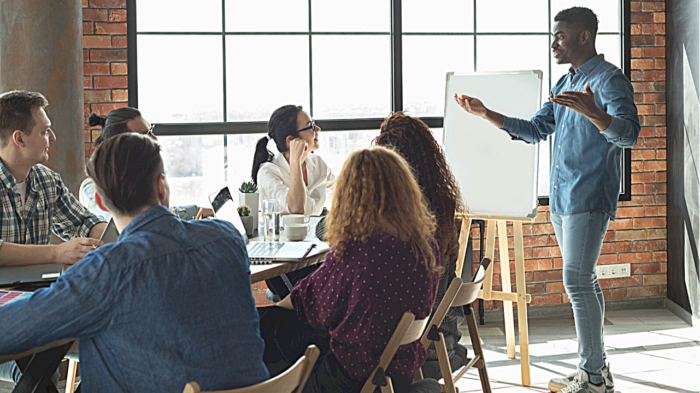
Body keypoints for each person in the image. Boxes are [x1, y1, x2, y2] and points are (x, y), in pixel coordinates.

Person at [454, 7, 639, 393]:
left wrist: (595, 114)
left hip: (589, 194)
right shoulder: (565, 81)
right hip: (561, 197)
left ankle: (591, 379)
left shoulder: (609, 80)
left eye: (560, 35)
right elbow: (538, 129)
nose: (553, 42)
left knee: (575, 280)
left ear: (584, 36)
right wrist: (487, 113)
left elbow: (629, 135)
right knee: (584, 280)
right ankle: (596, 370)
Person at [0, 133, 269, 392]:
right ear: (161, 186)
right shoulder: (228, 238)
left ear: (100, 203)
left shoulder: (107, 270)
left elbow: (12, 330)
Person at [258, 146, 441, 393]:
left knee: (265, 326)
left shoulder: (356, 251)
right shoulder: (426, 246)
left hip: (352, 377)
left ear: (350, 196)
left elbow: (310, 303)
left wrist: (273, 311)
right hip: (398, 370)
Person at [0, 90, 108, 385]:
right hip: (7, 315)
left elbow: (85, 223)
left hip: (36, 300)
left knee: (107, 334)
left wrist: (111, 236)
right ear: (19, 139)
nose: (53, 137)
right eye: (45, 131)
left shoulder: (47, 180)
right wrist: (57, 253)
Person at [374, 112, 468, 379]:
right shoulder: (443, 203)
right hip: (443, 340)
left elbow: (329, 229)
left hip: (415, 352)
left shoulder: (392, 214)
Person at [80, 108, 212, 221]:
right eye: (146, 134)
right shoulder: (91, 188)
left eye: (152, 130)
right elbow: (146, 218)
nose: (155, 138)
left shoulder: (138, 177)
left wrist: (202, 211)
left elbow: (160, 213)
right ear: (122, 144)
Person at [252, 105, 335, 216]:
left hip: (314, 233)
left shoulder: (318, 163)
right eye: (311, 126)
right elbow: (296, 208)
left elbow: (341, 197)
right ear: (291, 140)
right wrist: (295, 160)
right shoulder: (268, 172)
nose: (317, 129)